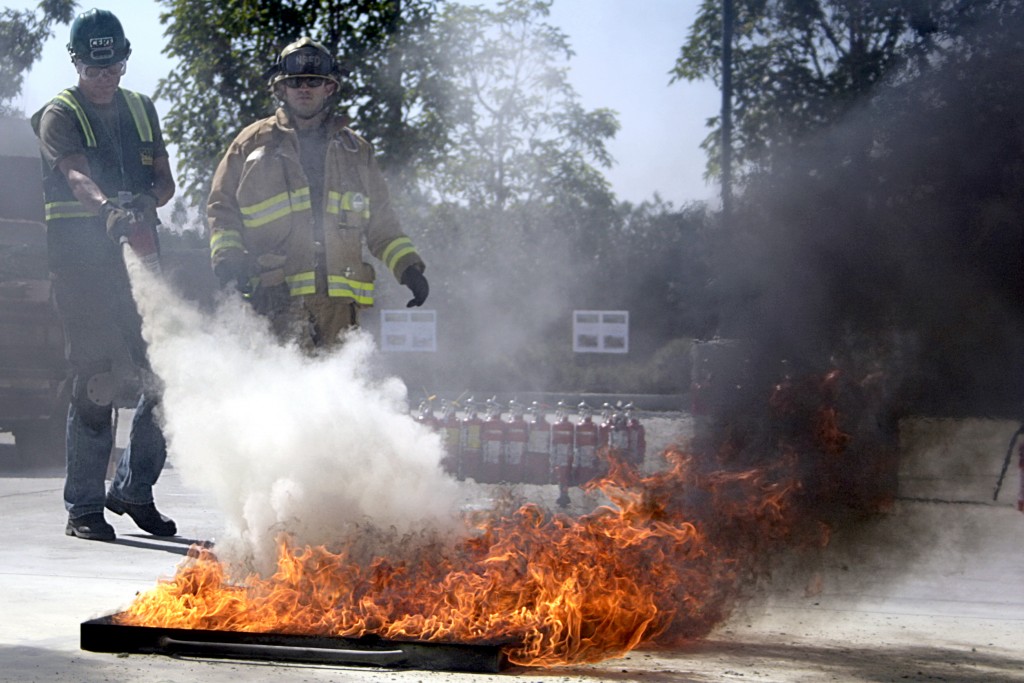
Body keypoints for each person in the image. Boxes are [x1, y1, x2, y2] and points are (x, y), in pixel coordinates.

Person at [31, 9, 177, 541]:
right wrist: (107, 211)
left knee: (165, 377)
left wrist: (142, 200)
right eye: (95, 69)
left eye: (112, 66)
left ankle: (134, 489)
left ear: (124, 59)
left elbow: (164, 182)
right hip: (81, 268)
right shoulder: (59, 113)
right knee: (96, 381)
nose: (104, 77)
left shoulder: (141, 109)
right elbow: (75, 175)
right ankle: (84, 507)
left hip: (137, 260)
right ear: (76, 63)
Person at [207, 37, 429, 351]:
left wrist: (408, 267)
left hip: (339, 308)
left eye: (314, 81)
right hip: (275, 298)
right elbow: (221, 208)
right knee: (278, 394)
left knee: (335, 395)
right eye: (295, 81)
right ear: (281, 89)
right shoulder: (251, 142)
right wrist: (229, 259)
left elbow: (381, 222)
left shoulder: (357, 150)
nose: (304, 88)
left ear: (330, 88)